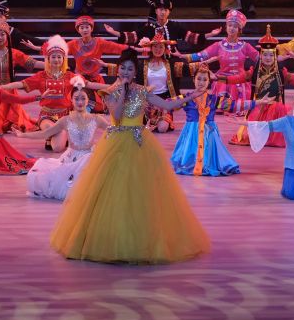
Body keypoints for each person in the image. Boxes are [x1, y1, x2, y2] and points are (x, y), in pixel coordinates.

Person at [49, 52, 209, 265]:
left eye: (130, 68)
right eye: (123, 67)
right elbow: (116, 115)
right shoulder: (109, 92)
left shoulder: (143, 91)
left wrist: (191, 96)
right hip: (116, 144)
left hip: (139, 144)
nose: (126, 71)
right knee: (112, 192)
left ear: (135, 72)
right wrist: (122, 91)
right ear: (118, 70)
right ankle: (106, 240)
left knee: (140, 195)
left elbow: (167, 106)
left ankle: (141, 241)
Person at [26, 84, 109, 200]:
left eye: (83, 98)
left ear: (88, 100)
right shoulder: (65, 120)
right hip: (71, 157)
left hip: (90, 156)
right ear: (71, 100)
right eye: (76, 99)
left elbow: (113, 130)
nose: (80, 102)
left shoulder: (96, 119)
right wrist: (22, 135)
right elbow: (45, 134)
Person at [170, 61, 241, 177]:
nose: (201, 82)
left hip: (209, 134)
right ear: (193, 80)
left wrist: (258, 102)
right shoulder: (186, 98)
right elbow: (168, 104)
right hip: (191, 134)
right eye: (199, 79)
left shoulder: (214, 99)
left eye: (204, 80)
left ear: (209, 82)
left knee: (210, 150)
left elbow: (235, 105)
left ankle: (208, 163)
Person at [190, 10, 259, 115]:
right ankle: (225, 105)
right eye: (229, 25)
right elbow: (201, 55)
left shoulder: (245, 46)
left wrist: (274, 56)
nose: (232, 28)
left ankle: (234, 106)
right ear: (226, 27)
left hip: (240, 79)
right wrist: (183, 56)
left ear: (239, 30)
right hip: (222, 78)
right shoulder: (218, 45)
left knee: (237, 87)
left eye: (235, 26)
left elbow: (259, 58)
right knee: (221, 85)